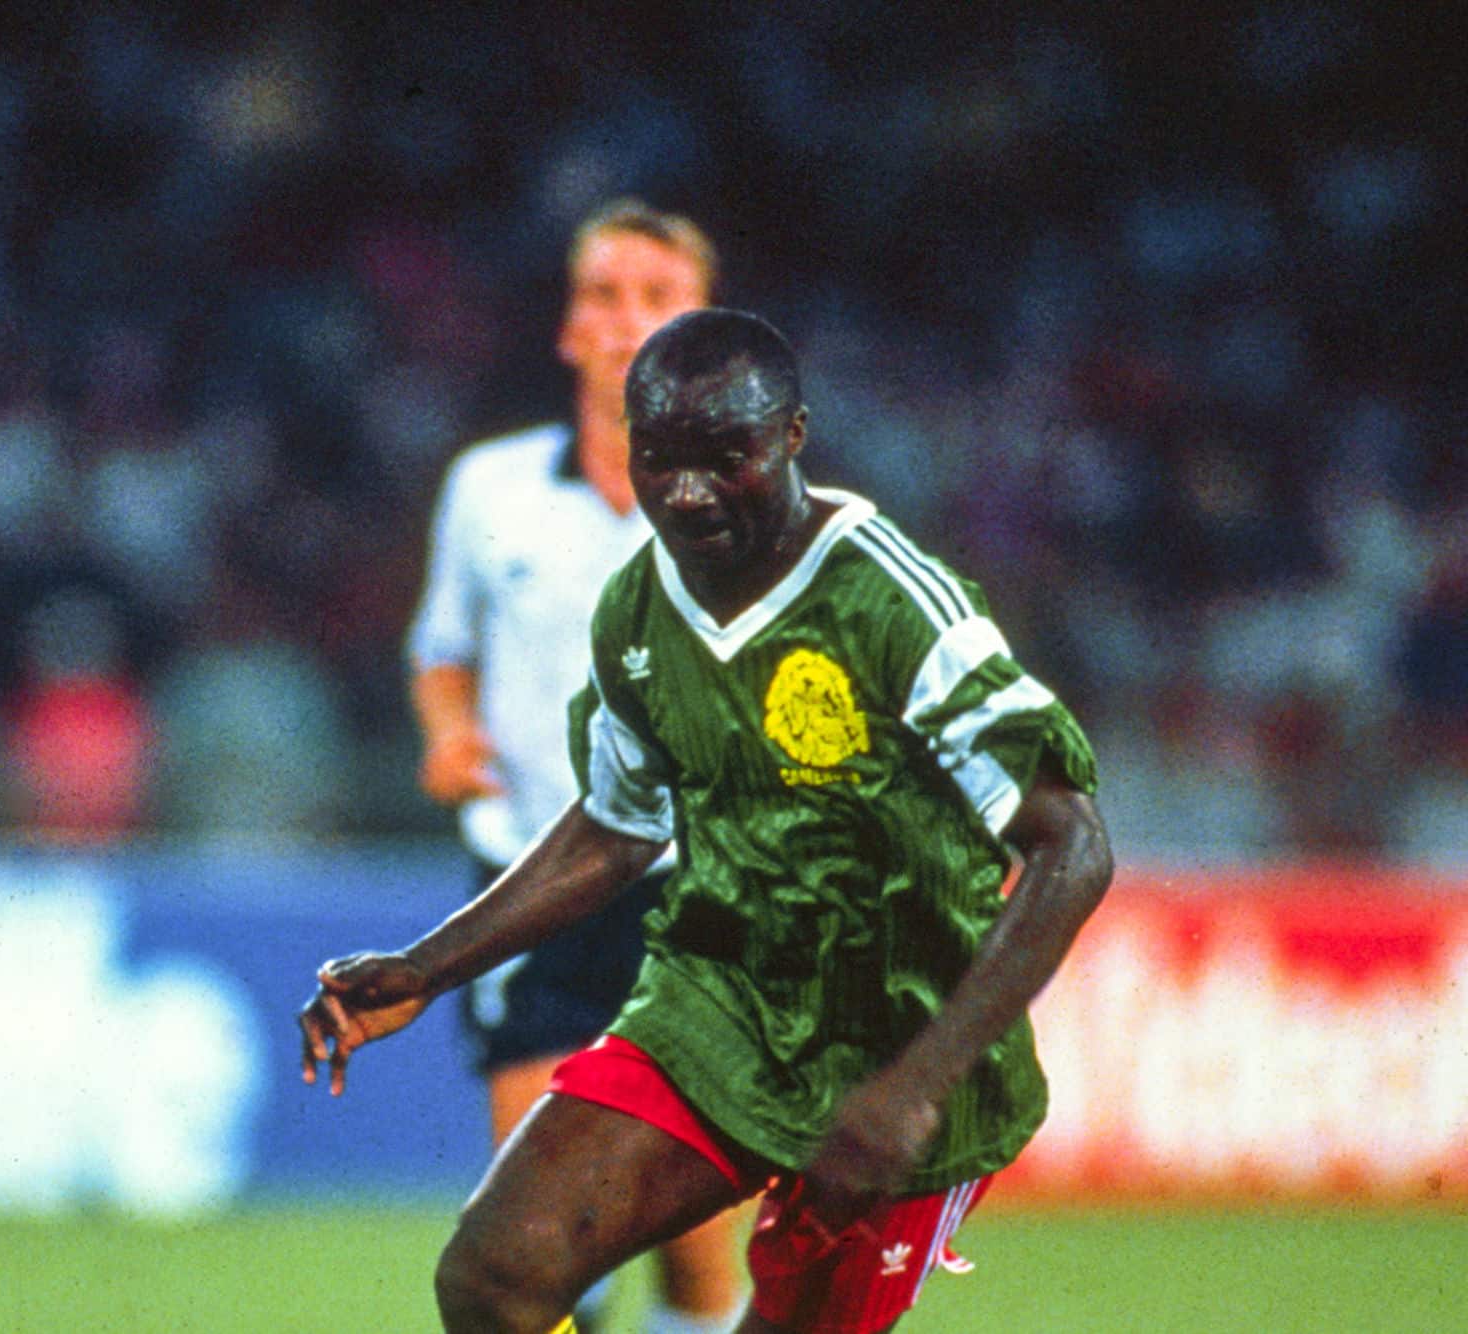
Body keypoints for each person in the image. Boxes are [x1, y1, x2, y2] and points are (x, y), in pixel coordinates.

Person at [302, 308, 1113, 1334]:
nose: (684, 493)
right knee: (492, 1275)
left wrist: (915, 1085)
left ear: (790, 437)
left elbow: (1071, 842)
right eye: (659, 460)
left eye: (723, 457)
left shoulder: (893, 603)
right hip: (717, 1010)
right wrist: (424, 965)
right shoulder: (637, 611)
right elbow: (613, 826)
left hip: (898, 1042)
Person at [404, 198, 746, 1332]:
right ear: (564, 326)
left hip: (697, 894)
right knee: (531, 1246)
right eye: (601, 294)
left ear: (702, 331)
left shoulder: (755, 510)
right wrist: (447, 732)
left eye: (656, 297)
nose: (623, 320)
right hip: (530, 881)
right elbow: (441, 650)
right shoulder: (488, 488)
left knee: (692, 1253)